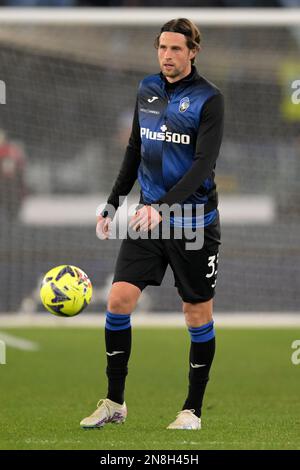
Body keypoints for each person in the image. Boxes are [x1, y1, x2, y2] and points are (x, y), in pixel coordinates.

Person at [80, 18, 224, 430]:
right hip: (148, 218)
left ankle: (191, 410)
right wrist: (112, 202)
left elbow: (202, 165)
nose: (167, 55)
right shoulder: (147, 89)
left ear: (193, 52)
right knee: (118, 302)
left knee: (196, 314)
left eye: (176, 49)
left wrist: (162, 206)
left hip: (193, 221)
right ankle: (114, 403)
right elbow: (135, 149)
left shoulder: (209, 99)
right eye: (162, 48)